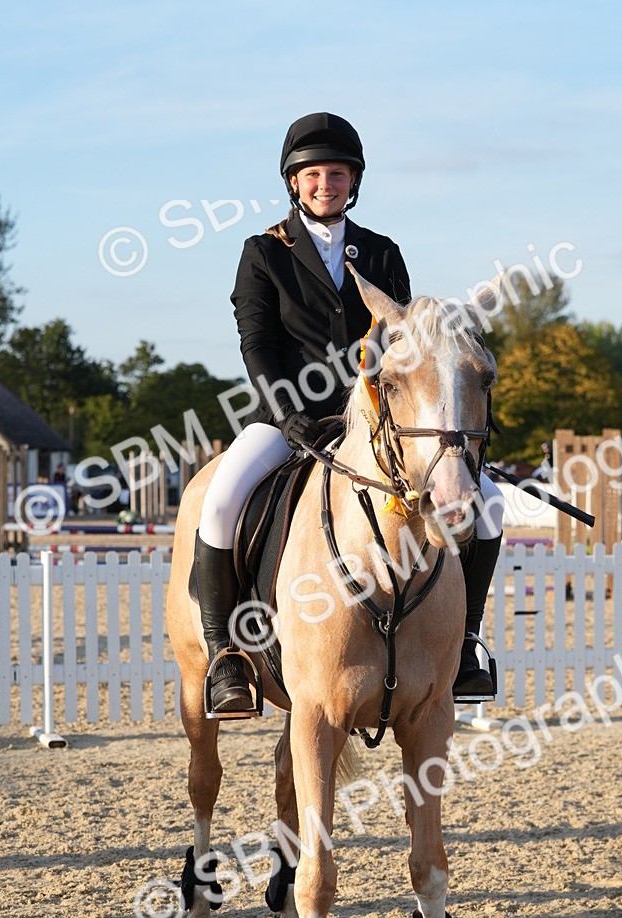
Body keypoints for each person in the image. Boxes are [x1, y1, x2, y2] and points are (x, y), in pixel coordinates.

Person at [195, 112, 503, 713]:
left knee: (485, 504)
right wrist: (286, 414)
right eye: (313, 174)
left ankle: (465, 642)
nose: (325, 184)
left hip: (379, 425)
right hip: (292, 421)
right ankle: (225, 655)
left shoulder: (382, 252)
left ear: (353, 180)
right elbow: (256, 344)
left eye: (336, 173)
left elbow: (409, 348)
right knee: (223, 496)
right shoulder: (263, 252)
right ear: (294, 182)